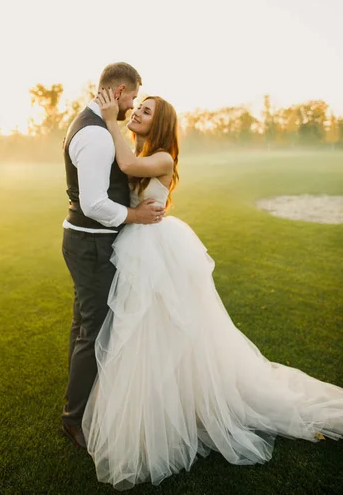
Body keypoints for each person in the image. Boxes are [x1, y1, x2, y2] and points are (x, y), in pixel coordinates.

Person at [81, 88, 343, 490]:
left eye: (145, 111)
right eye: (139, 108)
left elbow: (130, 165)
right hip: (138, 243)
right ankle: (167, 403)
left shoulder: (162, 155)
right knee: (145, 330)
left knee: (166, 327)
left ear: (160, 123)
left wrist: (112, 120)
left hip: (156, 247)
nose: (137, 114)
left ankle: (185, 406)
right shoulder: (139, 144)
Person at [61, 63, 165, 448]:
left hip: (87, 241)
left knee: (83, 323)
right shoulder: (96, 133)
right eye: (134, 97)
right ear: (120, 90)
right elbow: (93, 203)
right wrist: (135, 215)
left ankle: (77, 399)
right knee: (93, 330)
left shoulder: (96, 125)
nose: (133, 104)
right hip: (91, 243)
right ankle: (74, 418)